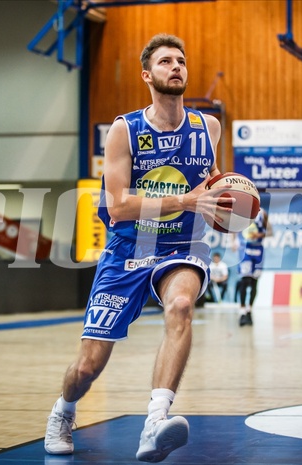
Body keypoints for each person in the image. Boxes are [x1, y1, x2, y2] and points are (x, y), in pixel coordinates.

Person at [43, 34, 231, 462]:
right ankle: (63, 410)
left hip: (181, 245)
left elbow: (213, 181)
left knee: (181, 305)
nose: (176, 66)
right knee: (88, 367)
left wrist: (227, 205)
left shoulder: (209, 128)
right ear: (148, 75)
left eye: (181, 60)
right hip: (126, 249)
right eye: (166, 61)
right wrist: (184, 200)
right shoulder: (125, 130)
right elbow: (118, 206)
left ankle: (155, 421)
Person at [237, 207, 272, 326]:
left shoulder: (263, 213)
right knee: (244, 280)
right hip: (245, 250)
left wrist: (260, 234)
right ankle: (241, 312)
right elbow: (233, 229)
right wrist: (232, 241)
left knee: (254, 282)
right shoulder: (240, 211)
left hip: (258, 251)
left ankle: (249, 311)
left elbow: (270, 232)